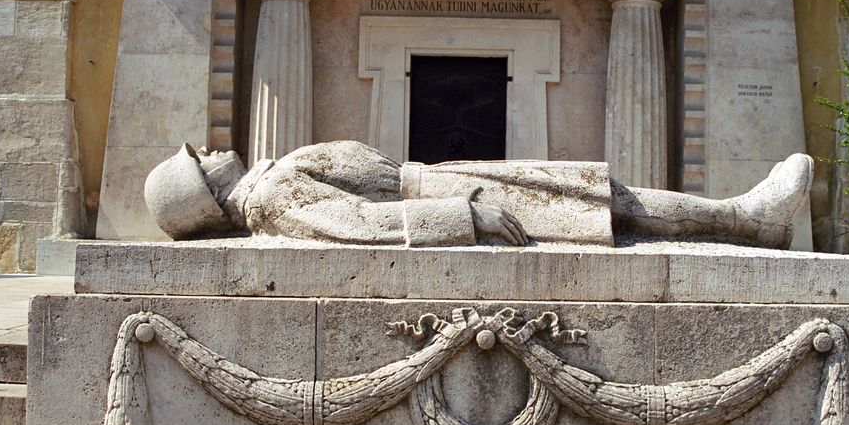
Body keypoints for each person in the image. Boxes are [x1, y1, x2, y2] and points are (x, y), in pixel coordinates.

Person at [144, 140, 812, 250]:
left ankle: (745, 217)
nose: (209, 149)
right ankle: (747, 219)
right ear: (204, 191)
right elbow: (361, 226)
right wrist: (466, 218)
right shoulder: (272, 197)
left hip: (444, 174)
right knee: (615, 209)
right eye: (200, 160)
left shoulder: (268, 184)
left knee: (608, 200)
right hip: (451, 191)